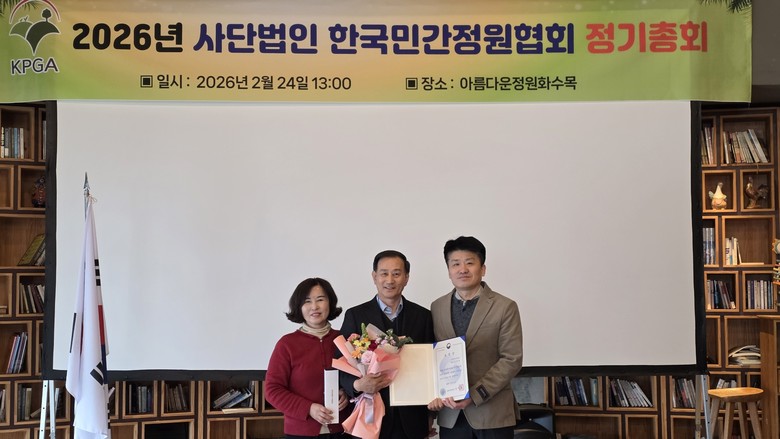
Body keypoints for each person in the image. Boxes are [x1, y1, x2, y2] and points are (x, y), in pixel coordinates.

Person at [427, 236, 523, 439]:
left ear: (483, 268)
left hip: (492, 413)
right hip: (451, 415)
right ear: (449, 271)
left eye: (469, 263)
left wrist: (476, 394)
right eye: (455, 264)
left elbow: (511, 359)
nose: (462, 269)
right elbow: (431, 357)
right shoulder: (437, 307)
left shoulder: (505, 306)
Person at [339, 250, 435, 439]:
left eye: (396, 274)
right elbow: (340, 363)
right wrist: (357, 384)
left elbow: (430, 364)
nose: (390, 280)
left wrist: (431, 413)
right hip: (369, 416)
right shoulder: (355, 315)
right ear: (374, 277)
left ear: (406, 278)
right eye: (384, 273)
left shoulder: (423, 316)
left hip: (412, 418)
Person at [266, 277, 350, 439]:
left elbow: (356, 380)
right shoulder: (287, 344)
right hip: (300, 432)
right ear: (299, 306)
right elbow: (272, 390)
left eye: (320, 299)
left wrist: (348, 393)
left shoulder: (344, 340)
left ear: (330, 303)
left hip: (343, 430)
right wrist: (309, 408)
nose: (314, 307)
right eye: (307, 301)